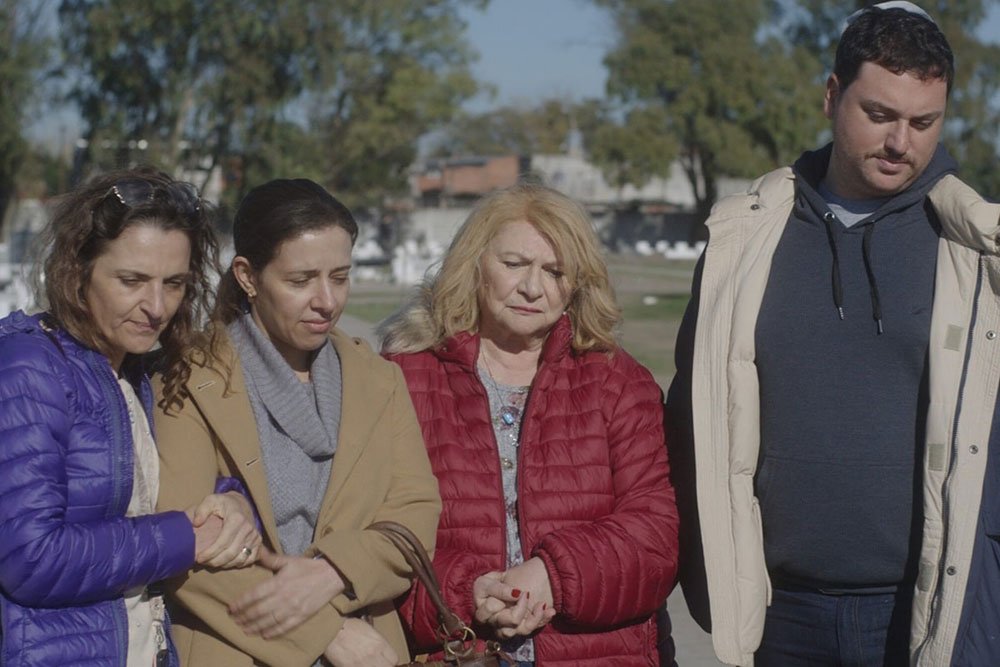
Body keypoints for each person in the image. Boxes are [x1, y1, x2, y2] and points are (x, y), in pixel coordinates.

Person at [664, 2, 1000, 665]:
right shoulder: (744, 240)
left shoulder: (977, 249)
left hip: (927, 611)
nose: (901, 141)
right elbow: (689, 417)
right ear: (831, 96)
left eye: (922, 121)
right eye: (879, 115)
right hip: (782, 612)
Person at [380, 181, 679, 666]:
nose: (532, 287)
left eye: (554, 271)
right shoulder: (404, 378)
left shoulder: (618, 382)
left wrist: (554, 575)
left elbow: (657, 537)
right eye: (514, 264)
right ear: (474, 264)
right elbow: (379, 533)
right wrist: (466, 591)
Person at [154, 178, 441, 667]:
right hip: (236, 647)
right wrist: (324, 632)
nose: (327, 301)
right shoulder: (185, 379)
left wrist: (333, 572)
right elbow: (183, 543)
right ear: (247, 276)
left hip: (370, 646)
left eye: (341, 276)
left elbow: (415, 514)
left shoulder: (379, 379)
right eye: (301, 280)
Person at [0, 168, 262, 666]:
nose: (157, 307)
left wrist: (232, 503)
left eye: (175, 283)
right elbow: (28, 558)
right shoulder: (29, 369)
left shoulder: (138, 370)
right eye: (132, 281)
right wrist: (187, 537)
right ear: (77, 271)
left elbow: (153, 490)